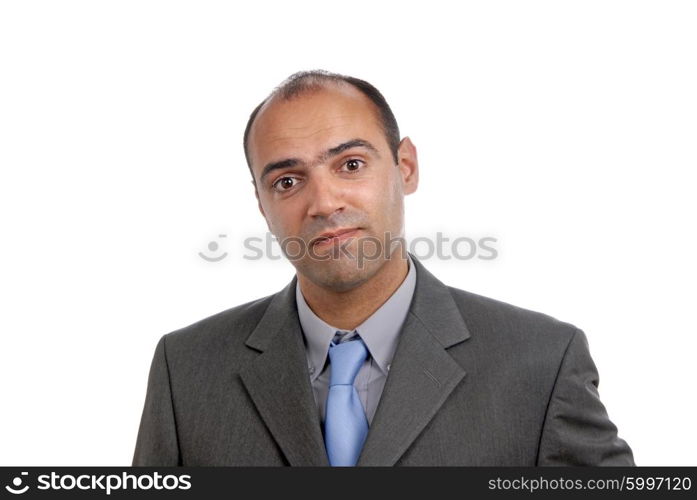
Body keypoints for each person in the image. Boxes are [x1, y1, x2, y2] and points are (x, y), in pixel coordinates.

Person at [132, 70, 634, 466]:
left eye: (350, 164)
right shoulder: (187, 369)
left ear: (406, 167)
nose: (324, 202)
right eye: (287, 181)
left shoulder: (541, 363)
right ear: (263, 206)